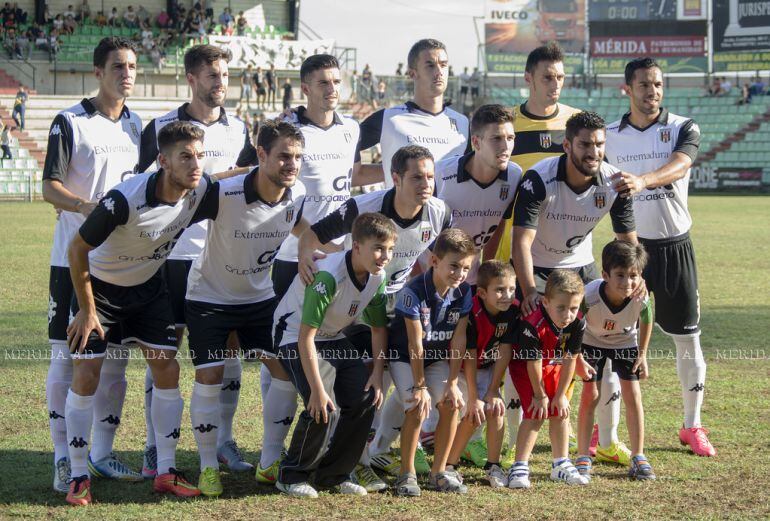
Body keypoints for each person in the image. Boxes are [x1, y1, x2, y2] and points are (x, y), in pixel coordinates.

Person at [65, 121, 218, 505]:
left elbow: (232, 180)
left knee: (167, 368)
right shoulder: (124, 199)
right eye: (186, 157)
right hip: (99, 292)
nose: (195, 165)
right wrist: (87, 310)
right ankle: (79, 475)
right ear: (163, 161)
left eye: (200, 156)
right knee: (87, 374)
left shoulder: (199, 189)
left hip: (149, 290)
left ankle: (165, 471)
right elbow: (77, 249)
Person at [299, 145, 452, 489]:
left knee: (393, 381)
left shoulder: (439, 211)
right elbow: (311, 235)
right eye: (417, 177)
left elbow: (440, 256)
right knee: (365, 381)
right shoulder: (364, 207)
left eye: (430, 177)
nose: (426, 184)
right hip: (353, 297)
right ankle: (351, 459)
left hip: (397, 301)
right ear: (395, 178)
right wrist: (305, 257)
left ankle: (377, 449)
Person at [136, 44, 257, 478]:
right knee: (164, 352)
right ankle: (155, 446)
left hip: (223, 257)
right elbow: (141, 184)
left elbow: (250, 186)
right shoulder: (161, 127)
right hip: (173, 255)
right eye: (212, 75)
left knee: (229, 349)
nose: (220, 82)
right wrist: (213, 180)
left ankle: (224, 440)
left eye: (224, 74)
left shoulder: (239, 129)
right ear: (191, 79)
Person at [184, 121, 310, 496]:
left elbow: (303, 227)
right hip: (208, 298)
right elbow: (178, 209)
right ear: (261, 154)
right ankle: (208, 467)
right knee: (210, 375)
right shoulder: (224, 192)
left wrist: (320, 249)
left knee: (285, 371)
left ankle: (269, 463)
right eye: (284, 156)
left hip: (258, 299)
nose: (292, 164)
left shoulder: (298, 192)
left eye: (298, 157)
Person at [41, 37, 143, 494]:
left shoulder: (137, 125)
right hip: (72, 259)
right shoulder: (70, 121)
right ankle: (63, 459)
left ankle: (101, 454)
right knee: (66, 358)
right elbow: (50, 187)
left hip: (119, 264)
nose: (127, 73)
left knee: (114, 362)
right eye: (118, 66)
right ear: (98, 72)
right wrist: (86, 207)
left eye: (132, 66)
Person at [511, 110, 639, 464]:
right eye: (584, 144)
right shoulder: (538, 178)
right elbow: (521, 241)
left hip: (581, 269)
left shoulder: (614, 183)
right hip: (536, 269)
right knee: (525, 354)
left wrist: (637, 277)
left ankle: (605, 440)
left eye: (599, 144)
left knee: (597, 350)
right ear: (567, 145)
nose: (593, 152)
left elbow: (627, 241)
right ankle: (512, 446)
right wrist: (529, 291)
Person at [606, 57, 715, 457]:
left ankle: (692, 425)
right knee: (612, 341)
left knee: (688, 338)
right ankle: (607, 435)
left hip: (675, 247)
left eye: (657, 84)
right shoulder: (609, 136)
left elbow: (681, 165)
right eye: (644, 85)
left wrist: (644, 181)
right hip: (629, 250)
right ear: (627, 89)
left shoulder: (683, 127)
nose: (652, 91)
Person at [492, 43, 584, 453]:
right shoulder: (508, 124)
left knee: (562, 343)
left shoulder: (575, 124)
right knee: (512, 345)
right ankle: (505, 432)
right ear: (528, 78)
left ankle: (565, 423)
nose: (555, 84)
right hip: (514, 253)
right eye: (547, 76)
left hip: (562, 257)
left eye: (560, 77)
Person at [273, 213, 397, 498]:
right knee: (323, 405)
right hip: (293, 337)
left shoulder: (378, 277)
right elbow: (305, 337)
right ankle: (291, 475)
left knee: (365, 398)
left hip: (331, 337)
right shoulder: (328, 276)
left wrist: (377, 375)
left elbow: (379, 329)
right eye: (378, 248)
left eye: (390, 249)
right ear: (356, 247)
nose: (385, 256)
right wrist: (317, 390)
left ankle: (334, 475)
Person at [387, 228, 475, 496]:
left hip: (435, 359)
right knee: (417, 405)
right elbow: (415, 345)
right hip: (405, 358)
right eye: (454, 266)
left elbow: (459, 340)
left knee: (452, 403)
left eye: (466, 268)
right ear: (434, 261)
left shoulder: (464, 291)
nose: (460, 274)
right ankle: (407, 474)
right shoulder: (413, 291)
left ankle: (439, 472)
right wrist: (420, 386)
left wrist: (452, 383)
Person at [272, 54, 361, 301]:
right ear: (305, 89)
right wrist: (329, 246)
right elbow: (279, 202)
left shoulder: (351, 128)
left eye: (336, 81)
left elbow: (356, 174)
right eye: (323, 83)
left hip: (339, 256)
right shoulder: (288, 130)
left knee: (337, 325)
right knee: (289, 325)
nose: (332, 88)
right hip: (295, 256)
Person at [576, 240, 656, 481]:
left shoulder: (640, 296)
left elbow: (647, 319)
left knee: (633, 395)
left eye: (633, 276)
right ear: (605, 275)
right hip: (591, 341)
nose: (627, 282)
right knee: (590, 396)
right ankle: (582, 457)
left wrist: (642, 353)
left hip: (625, 342)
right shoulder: (589, 295)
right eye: (620, 275)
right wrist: (577, 356)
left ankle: (638, 456)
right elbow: (573, 324)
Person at [506, 270, 589, 489]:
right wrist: (540, 395)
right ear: (546, 301)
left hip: (554, 363)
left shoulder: (578, 322)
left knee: (561, 410)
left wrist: (560, 395)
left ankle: (561, 464)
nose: (567, 315)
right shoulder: (532, 323)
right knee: (536, 412)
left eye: (573, 308)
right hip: (526, 366)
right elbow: (532, 363)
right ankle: (519, 466)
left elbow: (570, 359)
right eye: (561, 308)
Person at [354, 39, 469, 189]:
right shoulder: (388, 119)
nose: (439, 72)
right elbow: (344, 149)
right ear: (412, 73)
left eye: (443, 65)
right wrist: (392, 171)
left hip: (450, 206)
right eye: (430, 65)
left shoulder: (463, 123)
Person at [446, 260, 519, 487]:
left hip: (487, 367)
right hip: (461, 369)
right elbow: (469, 355)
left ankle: (493, 466)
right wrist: (475, 397)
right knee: (474, 413)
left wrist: (493, 389)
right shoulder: (472, 311)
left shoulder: (513, 310)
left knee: (496, 408)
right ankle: (449, 466)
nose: (507, 295)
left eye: (511, 289)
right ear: (482, 293)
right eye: (500, 290)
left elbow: (505, 350)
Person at [434, 104, 520, 288]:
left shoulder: (514, 175)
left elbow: (500, 221)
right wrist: (420, 278)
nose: (506, 146)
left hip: (470, 280)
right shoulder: (440, 173)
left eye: (510, 138)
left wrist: (486, 269)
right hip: (431, 278)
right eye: (496, 138)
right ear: (476, 142)